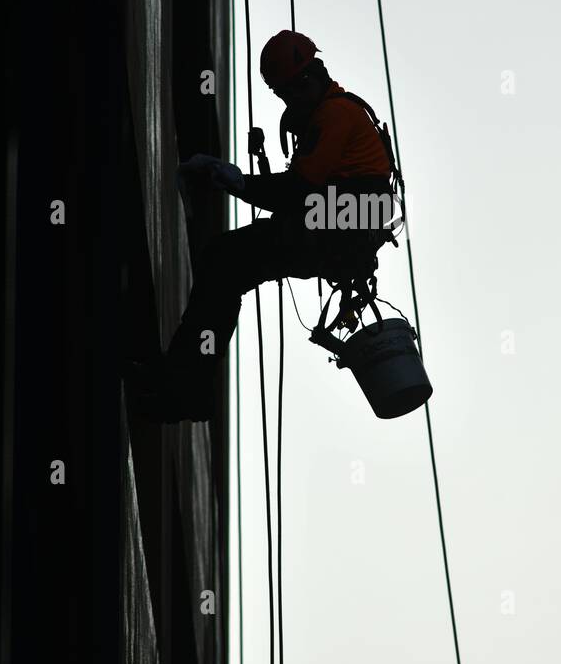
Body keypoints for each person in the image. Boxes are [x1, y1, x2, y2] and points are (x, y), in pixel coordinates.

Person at [130, 31, 397, 422]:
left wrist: (235, 181)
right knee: (226, 263)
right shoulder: (326, 116)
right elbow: (303, 195)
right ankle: (183, 381)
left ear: (307, 80)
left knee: (224, 260)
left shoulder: (335, 116)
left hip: (340, 225)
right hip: (338, 224)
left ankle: (185, 386)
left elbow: (298, 192)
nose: (287, 103)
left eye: (288, 93)